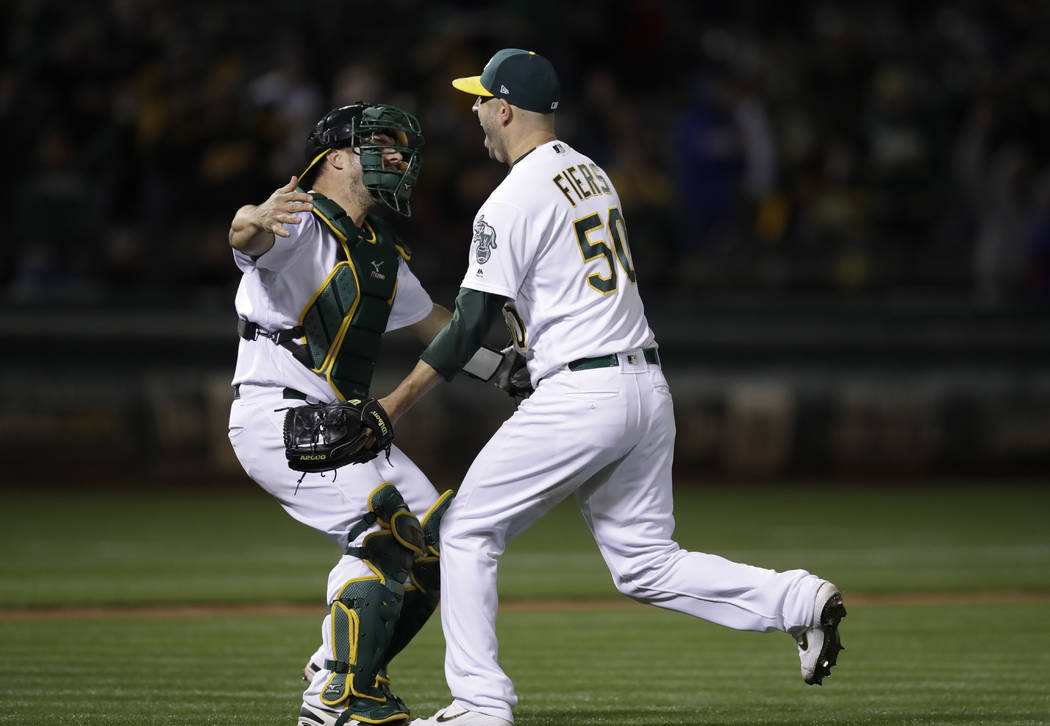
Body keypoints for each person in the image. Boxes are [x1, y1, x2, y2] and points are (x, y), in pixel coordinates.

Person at [374, 50, 848, 726]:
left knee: (469, 531)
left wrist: (394, 404)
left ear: (505, 108)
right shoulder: (590, 172)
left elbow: (470, 322)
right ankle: (798, 601)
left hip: (582, 394)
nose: (475, 111)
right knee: (645, 564)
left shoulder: (510, 197)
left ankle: (480, 705)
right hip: (643, 388)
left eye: (481, 99)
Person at [227, 102, 455, 726]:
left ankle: (338, 665)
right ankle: (336, 700)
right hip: (277, 419)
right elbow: (245, 235)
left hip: (344, 424)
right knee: (384, 533)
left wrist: (514, 345)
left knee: (445, 542)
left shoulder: (380, 252)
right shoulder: (296, 221)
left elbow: (445, 327)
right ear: (334, 157)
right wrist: (251, 216)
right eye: (380, 142)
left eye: (402, 147)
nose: (398, 157)